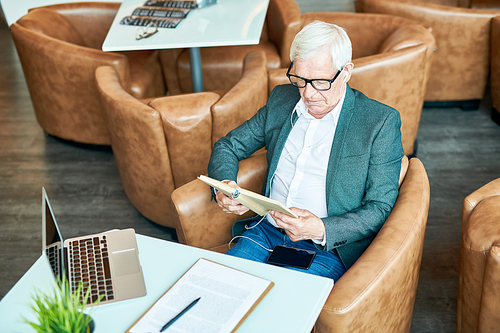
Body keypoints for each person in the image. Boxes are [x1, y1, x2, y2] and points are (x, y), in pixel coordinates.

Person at [207, 20, 404, 281]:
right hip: (266, 232)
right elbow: (228, 146)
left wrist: (320, 227)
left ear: (346, 72)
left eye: (320, 82)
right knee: (217, 285)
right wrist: (223, 185)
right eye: (300, 79)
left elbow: (380, 207)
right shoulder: (281, 99)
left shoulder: (379, 122)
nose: (308, 93)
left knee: (283, 306)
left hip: (326, 248)